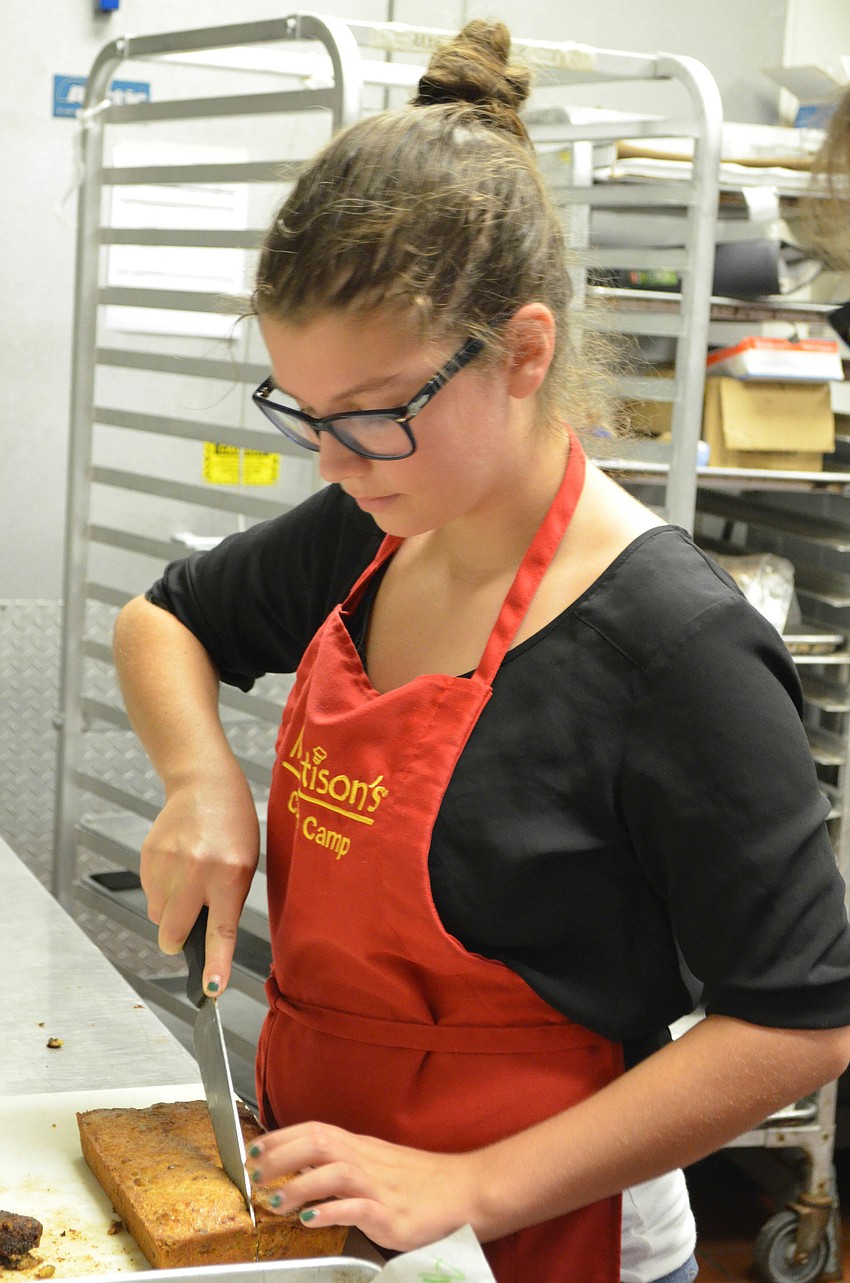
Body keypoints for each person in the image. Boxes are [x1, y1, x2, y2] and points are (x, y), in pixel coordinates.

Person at [112, 20, 850, 1283]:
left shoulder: (674, 647)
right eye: (304, 413)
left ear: (522, 350)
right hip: (328, 1194)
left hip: (544, 1234)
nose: (334, 465)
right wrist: (199, 780)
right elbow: (165, 618)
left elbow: (798, 1024)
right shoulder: (375, 526)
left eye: (376, 414)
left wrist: (470, 1183)